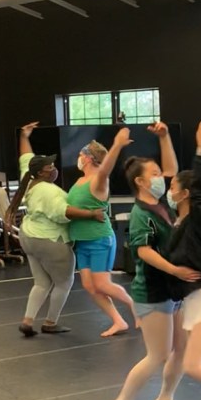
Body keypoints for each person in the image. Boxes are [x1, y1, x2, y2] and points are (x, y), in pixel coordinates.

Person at [110, 121, 201, 400]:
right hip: (152, 292)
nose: (161, 176)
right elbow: (144, 252)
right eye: (154, 173)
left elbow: (173, 168)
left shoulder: (161, 202)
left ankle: (165, 398)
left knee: (181, 348)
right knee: (158, 354)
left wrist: (164, 138)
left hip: (172, 291)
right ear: (141, 182)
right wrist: (175, 269)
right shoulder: (140, 214)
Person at [6, 121, 106, 337]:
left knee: (41, 282)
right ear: (42, 173)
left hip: (29, 236)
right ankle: (50, 322)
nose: (54, 168)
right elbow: (65, 212)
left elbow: (25, 157)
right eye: (50, 167)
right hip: (50, 240)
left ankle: (27, 320)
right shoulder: (49, 192)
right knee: (64, 281)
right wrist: (92, 214)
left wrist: (24, 136)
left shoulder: (29, 178)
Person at [66, 128, 138, 337]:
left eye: (80, 155)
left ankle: (137, 308)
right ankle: (119, 321)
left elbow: (106, 169)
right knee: (90, 286)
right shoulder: (79, 181)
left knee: (103, 284)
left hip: (99, 239)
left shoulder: (99, 179)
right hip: (81, 241)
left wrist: (116, 145)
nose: (78, 158)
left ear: (88, 157)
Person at [166, 119, 201, 384]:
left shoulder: (198, 220)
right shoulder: (181, 220)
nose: (168, 191)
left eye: (172, 188)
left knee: (192, 365)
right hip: (192, 296)